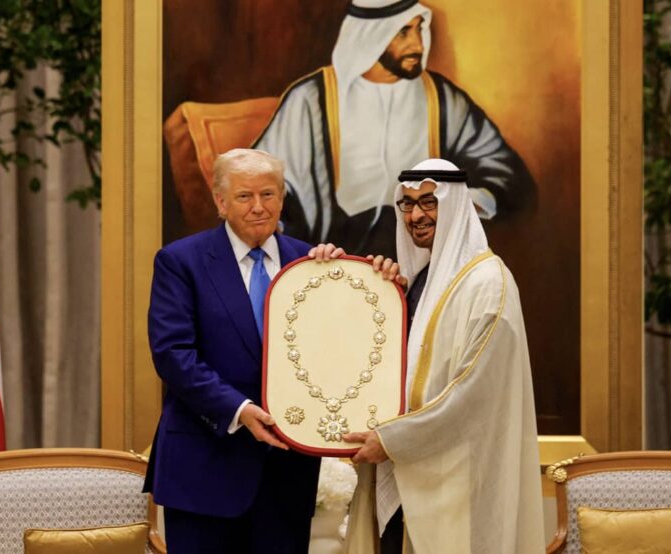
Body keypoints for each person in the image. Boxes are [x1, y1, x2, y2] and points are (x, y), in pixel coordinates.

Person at [143, 149, 345, 552]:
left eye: (268, 194)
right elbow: (173, 354)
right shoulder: (181, 261)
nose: (258, 207)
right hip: (204, 468)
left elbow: (337, 347)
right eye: (244, 196)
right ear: (221, 202)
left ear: (281, 199)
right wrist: (239, 409)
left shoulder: (311, 262)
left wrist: (359, 280)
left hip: (286, 477)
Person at [341, 158, 544, 553]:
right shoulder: (420, 282)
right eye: (408, 203)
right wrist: (380, 295)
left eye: (429, 202)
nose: (416, 215)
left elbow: (473, 395)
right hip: (401, 472)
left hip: (453, 483)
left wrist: (393, 440)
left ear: (455, 205)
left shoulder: (488, 284)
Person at [253, 0, 534, 257]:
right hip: (332, 257)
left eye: (419, 29)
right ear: (371, 36)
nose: (418, 44)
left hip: (420, 256)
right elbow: (260, 178)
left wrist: (453, 206)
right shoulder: (312, 98)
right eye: (403, 33)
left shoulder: (441, 98)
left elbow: (504, 171)